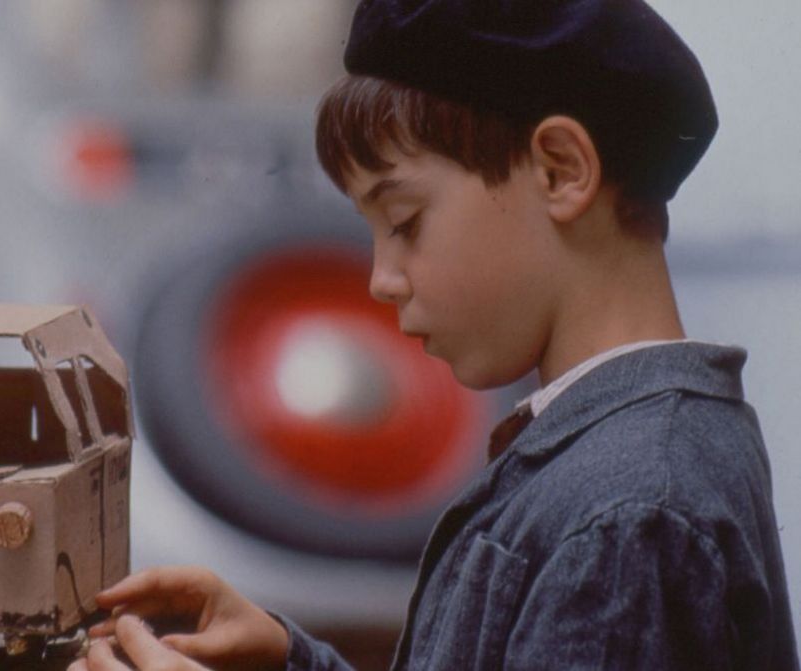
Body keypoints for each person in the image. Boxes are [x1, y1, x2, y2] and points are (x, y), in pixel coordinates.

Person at [70, 1, 799, 669]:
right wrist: (291, 661)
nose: (381, 279)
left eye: (406, 221)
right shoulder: (619, 459)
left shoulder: (626, 520)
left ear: (560, 170)